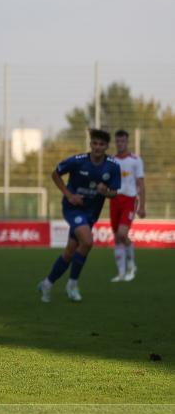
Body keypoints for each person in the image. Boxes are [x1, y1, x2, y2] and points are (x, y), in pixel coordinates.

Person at [38, 129, 120, 303]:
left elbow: (114, 193)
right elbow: (55, 174)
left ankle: (47, 283)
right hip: (73, 208)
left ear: (106, 146)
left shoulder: (113, 166)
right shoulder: (78, 161)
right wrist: (69, 195)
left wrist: (106, 192)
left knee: (69, 252)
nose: (97, 147)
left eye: (101, 144)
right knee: (87, 242)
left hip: (91, 213)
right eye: (95, 143)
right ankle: (72, 284)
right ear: (90, 144)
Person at [110, 130, 145, 282]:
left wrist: (142, 206)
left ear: (127, 142)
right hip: (114, 200)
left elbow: (141, 184)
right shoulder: (111, 160)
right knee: (117, 237)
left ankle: (131, 264)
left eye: (123, 141)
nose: (120, 144)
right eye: (118, 141)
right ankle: (121, 274)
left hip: (130, 200)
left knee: (122, 234)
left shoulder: (135, 160)